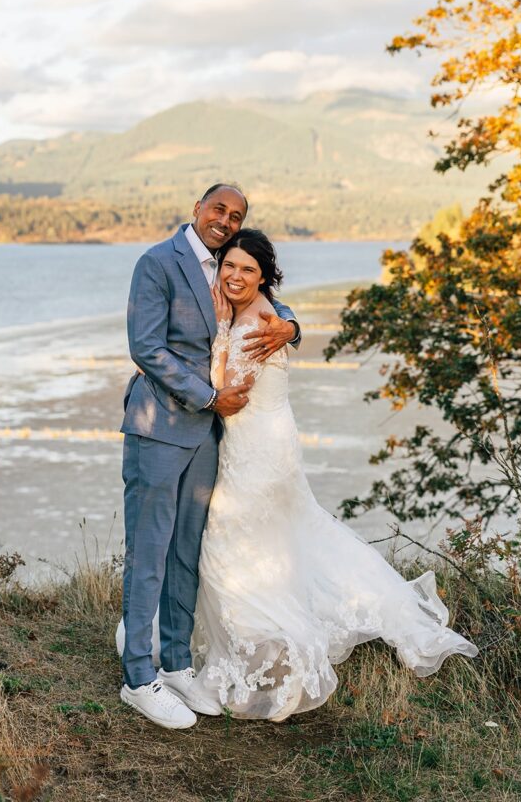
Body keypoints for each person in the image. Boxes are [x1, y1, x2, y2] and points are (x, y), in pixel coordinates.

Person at [191, 228, 479, 722]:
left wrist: (218, 333)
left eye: (248, 270)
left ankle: (270, 646)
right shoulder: (266, 313)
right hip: (264, 445)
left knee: (229, 541)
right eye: (229, 266)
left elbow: (230, 392)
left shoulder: (259, 320)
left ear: (264, 277)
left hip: (258, 452)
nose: (235, 276)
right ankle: (264, 635)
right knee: (281, 540)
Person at [119, 186, 301, 729]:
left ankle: (175, 662)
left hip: (208, 438)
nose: (226, 220)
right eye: (218, 210)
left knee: (186, 551)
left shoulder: (226, 261)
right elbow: (146, 347)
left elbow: (261, 290)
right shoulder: (156, 263)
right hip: (160, 426)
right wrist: (208, 397)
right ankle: (138, 677)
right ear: (196, 209)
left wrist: (291, 325)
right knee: (148, 550)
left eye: (236, 216)